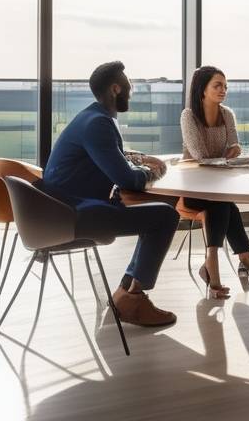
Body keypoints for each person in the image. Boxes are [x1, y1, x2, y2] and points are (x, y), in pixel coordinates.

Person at [38, 61, 179, 327]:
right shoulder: (99, 124)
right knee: (166, 216)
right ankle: (134, 298)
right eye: (130, 87)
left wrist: (135, 159)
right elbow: (127, 179)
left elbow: (108, 158)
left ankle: (126, 291)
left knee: (157, 212)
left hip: (60, 208)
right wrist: (155, 171)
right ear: (116, 89)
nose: (132, 92)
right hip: (74, 215)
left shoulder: (90, 117)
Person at [180, 66, 249, 298]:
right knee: (224, 204)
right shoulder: (189, 116)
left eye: (225, 86)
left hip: (218, 185)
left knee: (224, 204)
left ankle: (214, 263)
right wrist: (226, 155)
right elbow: (200, 156)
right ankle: (234, 259)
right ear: (203, 89)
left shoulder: (227, 114)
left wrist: (232, 151)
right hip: (192, 188)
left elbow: (234, 145)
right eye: (217, 85)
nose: (223, 90)